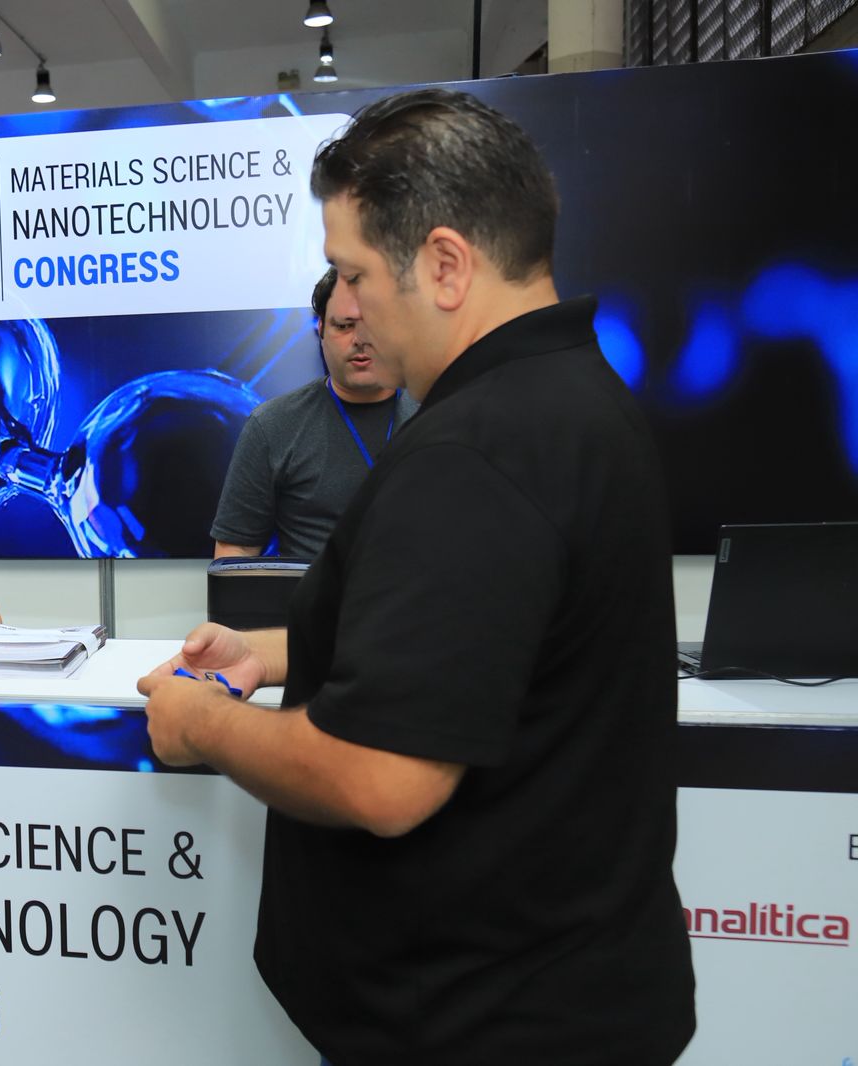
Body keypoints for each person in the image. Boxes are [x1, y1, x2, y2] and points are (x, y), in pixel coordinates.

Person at [139, 88, 695, 1065]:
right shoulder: (577, 400)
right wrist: (273, 653)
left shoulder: (472, 452)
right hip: (564, 988)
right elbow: (485, 644)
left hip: (477, 1020)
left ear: (443, 264)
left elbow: (381, 777)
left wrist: (202, 724)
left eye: (353, 273)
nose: (347, 308)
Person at [210, 267, 418, 559]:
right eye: (344, 325)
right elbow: (236, 551)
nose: (360, 338)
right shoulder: (272, 425)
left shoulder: (442, 414)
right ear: (320, 328)